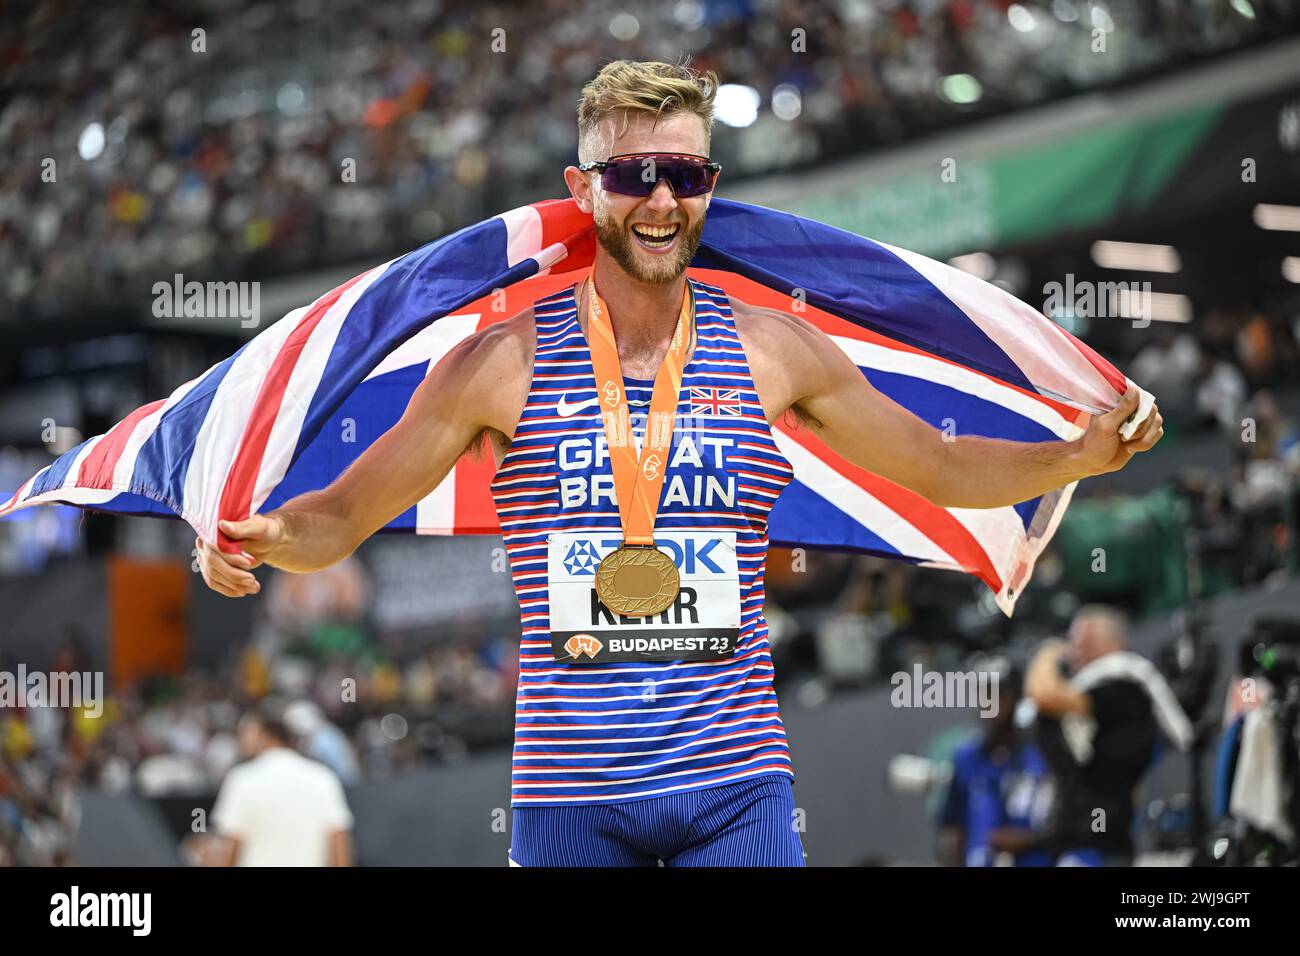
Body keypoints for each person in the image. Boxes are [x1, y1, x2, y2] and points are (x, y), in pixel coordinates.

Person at [196, 60, 1164, 867]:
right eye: (632, 175)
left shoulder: (777, 350)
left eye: (687, 176)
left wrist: (1073, 453)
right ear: (582, 190)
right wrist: (267, 535)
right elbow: (342, 516)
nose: (661, 200)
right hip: (568, 794)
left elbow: (937, 467)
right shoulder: (494, 367)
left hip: (736, 787)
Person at [1026, 605, 1192, 865]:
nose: (1076, 653)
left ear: (1114, 643)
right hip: (1082, 836)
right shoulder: (1097, 688)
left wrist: (1048, 652)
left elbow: (1044, 695)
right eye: (1074, 643)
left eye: (1087, 643)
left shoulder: (1121, 685)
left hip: (1100, 841)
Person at [207, 704, 354, 867]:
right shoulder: (323, 778)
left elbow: (230, 847)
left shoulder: (242, 779)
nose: (241, 739)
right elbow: (339, 844)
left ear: (264, 734)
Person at [937, 667, 1053, 867]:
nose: (988, 704)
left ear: (1017, 699)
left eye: (998, 696)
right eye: (983, 695)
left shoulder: (1044, 754)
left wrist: (1030, 840)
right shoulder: (966, 757)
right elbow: (954, 827)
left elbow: (1071, 824)